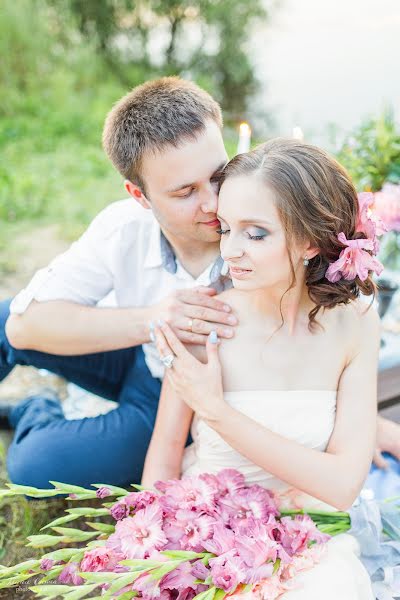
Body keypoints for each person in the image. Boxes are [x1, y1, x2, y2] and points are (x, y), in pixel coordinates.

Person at [0, 77, 398, 491]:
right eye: (185, 192)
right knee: (7, 319)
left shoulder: (263, 219)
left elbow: (313, 345)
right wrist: (153, 319)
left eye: (216, 175)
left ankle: (34, 409)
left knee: (35, 465)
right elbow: (23, 327)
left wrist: (361, 420)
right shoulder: (123, 227)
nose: (212, 203)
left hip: (173, 395)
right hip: (137, 352)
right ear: (140, 195)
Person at [143, 138, 382, 598]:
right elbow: (165, 455)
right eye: (225, 228)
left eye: (255, 234)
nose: (231, 251)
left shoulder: (355, 325)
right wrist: (156, 550)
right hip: (204, 540)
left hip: (304, 543)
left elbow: (342, 485)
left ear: (310, 241)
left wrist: (216, 412)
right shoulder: (205, 320)